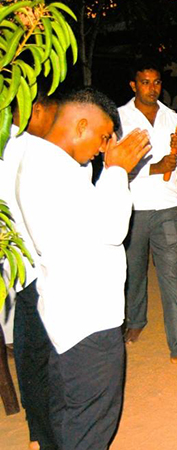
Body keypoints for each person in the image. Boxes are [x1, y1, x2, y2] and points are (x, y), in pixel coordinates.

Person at [17, 88, 151, 450]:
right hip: (88, 318)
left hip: (68, 312)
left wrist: (110, 172)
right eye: (104, 136)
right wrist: (116, 170)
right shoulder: (53, 171)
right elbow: (111, 228)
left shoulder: (49, 163)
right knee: (90, 422)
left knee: (69, 412)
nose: (104, 147)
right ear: (80, 125)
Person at [119, 61, 177, 368]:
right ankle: (135, 319)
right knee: (133, 271)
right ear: (133, 85)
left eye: (156, 82)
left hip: (168, 206)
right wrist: (154, 168)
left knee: (171, 275)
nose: (151, 88)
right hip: (133, 207)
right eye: (145, 82)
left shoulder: (173, 117)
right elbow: (115, 166)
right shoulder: (120, 117)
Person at [0, 82, 58, 450]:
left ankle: (40, 430)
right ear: (34, 110)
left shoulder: (16, 144)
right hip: (33, 264)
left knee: (34, 348)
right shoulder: (24, 147)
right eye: (52, 115)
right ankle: (42, 433)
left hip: (26, 264)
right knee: (39, 350)